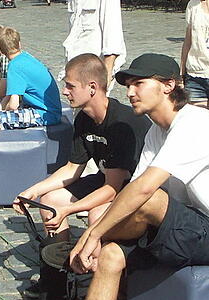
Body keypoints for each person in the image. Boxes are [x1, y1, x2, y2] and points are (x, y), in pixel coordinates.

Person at [16, 53, 209, 300]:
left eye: (139, 83)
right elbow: (127, 193)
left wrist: (92, 235)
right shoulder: (158, 131)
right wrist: (102, 240)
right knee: (111, 255)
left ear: (169, 85)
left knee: (143, 202)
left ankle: (78, 250)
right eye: (127, 85)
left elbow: (142, 190)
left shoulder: (194, 123)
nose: (130, 92)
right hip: (181, 225)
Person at [13, 54, 151, 244]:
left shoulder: (122, 122)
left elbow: (111, 189)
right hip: (107, 180)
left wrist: (68, 210)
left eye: (71, 86)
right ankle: (59, 262)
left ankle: (98, 266)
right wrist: (32, 191)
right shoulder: (84, 118)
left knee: (97, 215)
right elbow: (72, 168)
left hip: (135, 188)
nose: (64, 91)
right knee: (49, 200)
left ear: (92, 88)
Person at [0, 26, 62, 136]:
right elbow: (13, 96)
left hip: (45, 114)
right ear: (19, 44)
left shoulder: (15, 66)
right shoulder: (25, 57)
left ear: (1, 49)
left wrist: (1, 111)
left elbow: (13, 105)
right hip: (45, 108)